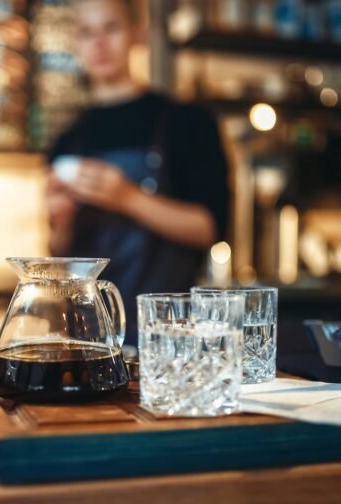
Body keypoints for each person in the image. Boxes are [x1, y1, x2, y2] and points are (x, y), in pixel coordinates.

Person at [46, 0, 229, 344]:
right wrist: (62, 222)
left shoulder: (188, 123)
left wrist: (126, 197)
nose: (99, 43)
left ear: (137, 34)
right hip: (89, 338)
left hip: (168, 333)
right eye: (86, 32)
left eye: (111, 28)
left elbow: (209, 229)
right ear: (75, 44)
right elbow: (61, 255)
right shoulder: (66, 140)